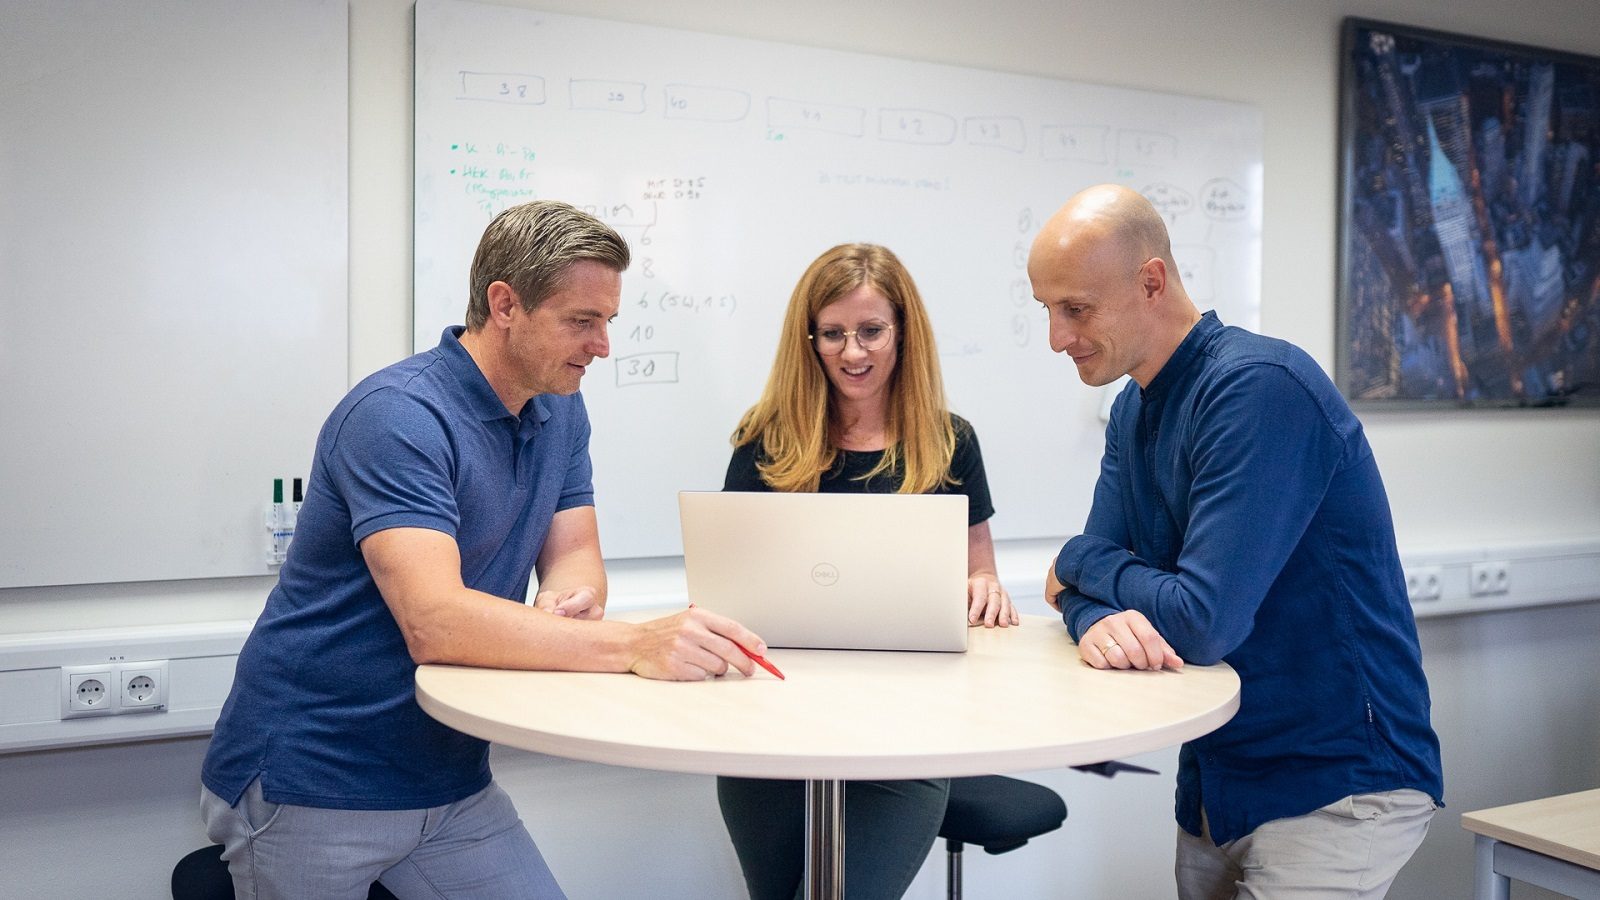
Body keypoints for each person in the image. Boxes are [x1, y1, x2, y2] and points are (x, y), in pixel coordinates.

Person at [200, 200, 767, 900]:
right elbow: (433, 622)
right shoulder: (397, 416)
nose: (602, 346)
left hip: (449, 777)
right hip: (317, 776)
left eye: (607, 322)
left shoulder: (559, 405)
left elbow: (576, 551)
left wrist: (571, 595)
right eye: (581, 322)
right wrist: (632, 644)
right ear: (505, 303)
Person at [1028, 184, 1444, 899]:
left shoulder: (1257, 388)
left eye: (1076, 309)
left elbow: (1202, 621)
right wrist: (1089, 606)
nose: (1057, 337)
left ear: (1151, 282)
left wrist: (1076, 564)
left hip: (1335, 784)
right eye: (1048, 311)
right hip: (1220, 781)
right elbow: (1092, 582)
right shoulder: (1132, 408)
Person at [716, 242, 1016, 900]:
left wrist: (984, 589)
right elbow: (730, 591)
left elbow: (981, 575)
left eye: (872, 330)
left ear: (904, 332)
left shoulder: (950, 441)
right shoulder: (764, 440)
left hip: (905, 737)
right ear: (810, 339)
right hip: (770, 732)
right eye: (833, 334)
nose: (854, 353)